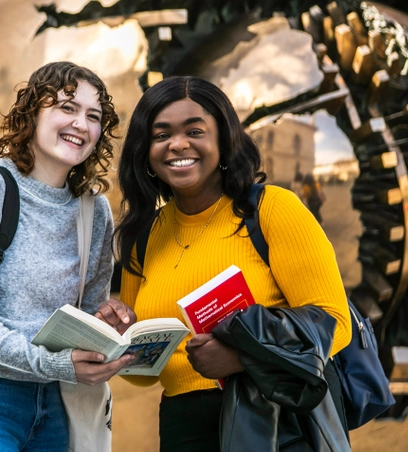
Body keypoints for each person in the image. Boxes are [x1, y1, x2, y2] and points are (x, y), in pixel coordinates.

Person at [94, 76, 352, 451]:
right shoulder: (144, 236)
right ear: (145, 150)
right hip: (182, 427)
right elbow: (145, 377)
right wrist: (121, 340)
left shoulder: (272, 210)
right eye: (161, 134)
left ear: (223, 139)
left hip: (271, 417)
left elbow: (336, 324)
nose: (178, 144)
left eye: (195, 130)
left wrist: (239, 357)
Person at [0, 61, 133, 451]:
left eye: (93, 116)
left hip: (53, 402)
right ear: (32, 114)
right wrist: (53, 364)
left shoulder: (94, 211)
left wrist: (105, 325)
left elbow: (81, 317)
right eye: (66, 108)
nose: (81, 125)